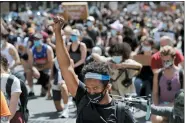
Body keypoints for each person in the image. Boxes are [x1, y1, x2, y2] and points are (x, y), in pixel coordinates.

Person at [54, 16, 135, 123]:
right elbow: (65, 66)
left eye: (96, 88)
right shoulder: (83, 98)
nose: (91, 92)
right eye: (88, 88)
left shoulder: (121, 112)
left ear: (108, 87)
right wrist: (57, 32)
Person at [152, 45, 183, 123]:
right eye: (163, 61)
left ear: (173, 58)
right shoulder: (158, 74)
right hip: (162, 106)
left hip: (178, 107)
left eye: (168, 61)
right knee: (155, 118)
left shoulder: (181, 73)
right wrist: (156, 107)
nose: (166, 63)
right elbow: (155, 93)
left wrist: (172, 105)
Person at [0, 55, 23, 123]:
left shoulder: (12, 80)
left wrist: (5, 121)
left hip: (11, 116)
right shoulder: (14, 80)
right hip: (12, 115)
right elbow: (13, 105)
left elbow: (12, 107)